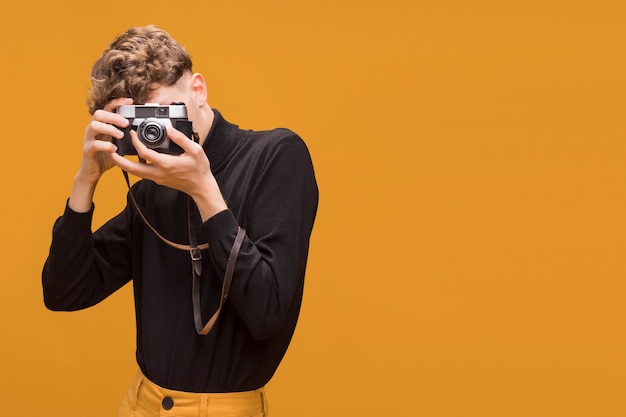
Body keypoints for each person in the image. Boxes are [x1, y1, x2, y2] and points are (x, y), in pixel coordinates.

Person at [42, 25, 318, 416]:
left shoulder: (276, 156)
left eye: (163, 113)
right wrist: (85, 180)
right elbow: (64, 293)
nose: (158, 132)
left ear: (198, 90)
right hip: (141, 403)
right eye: (138, 122)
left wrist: (204, 190)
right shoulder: (149, 192)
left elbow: (267, 312)